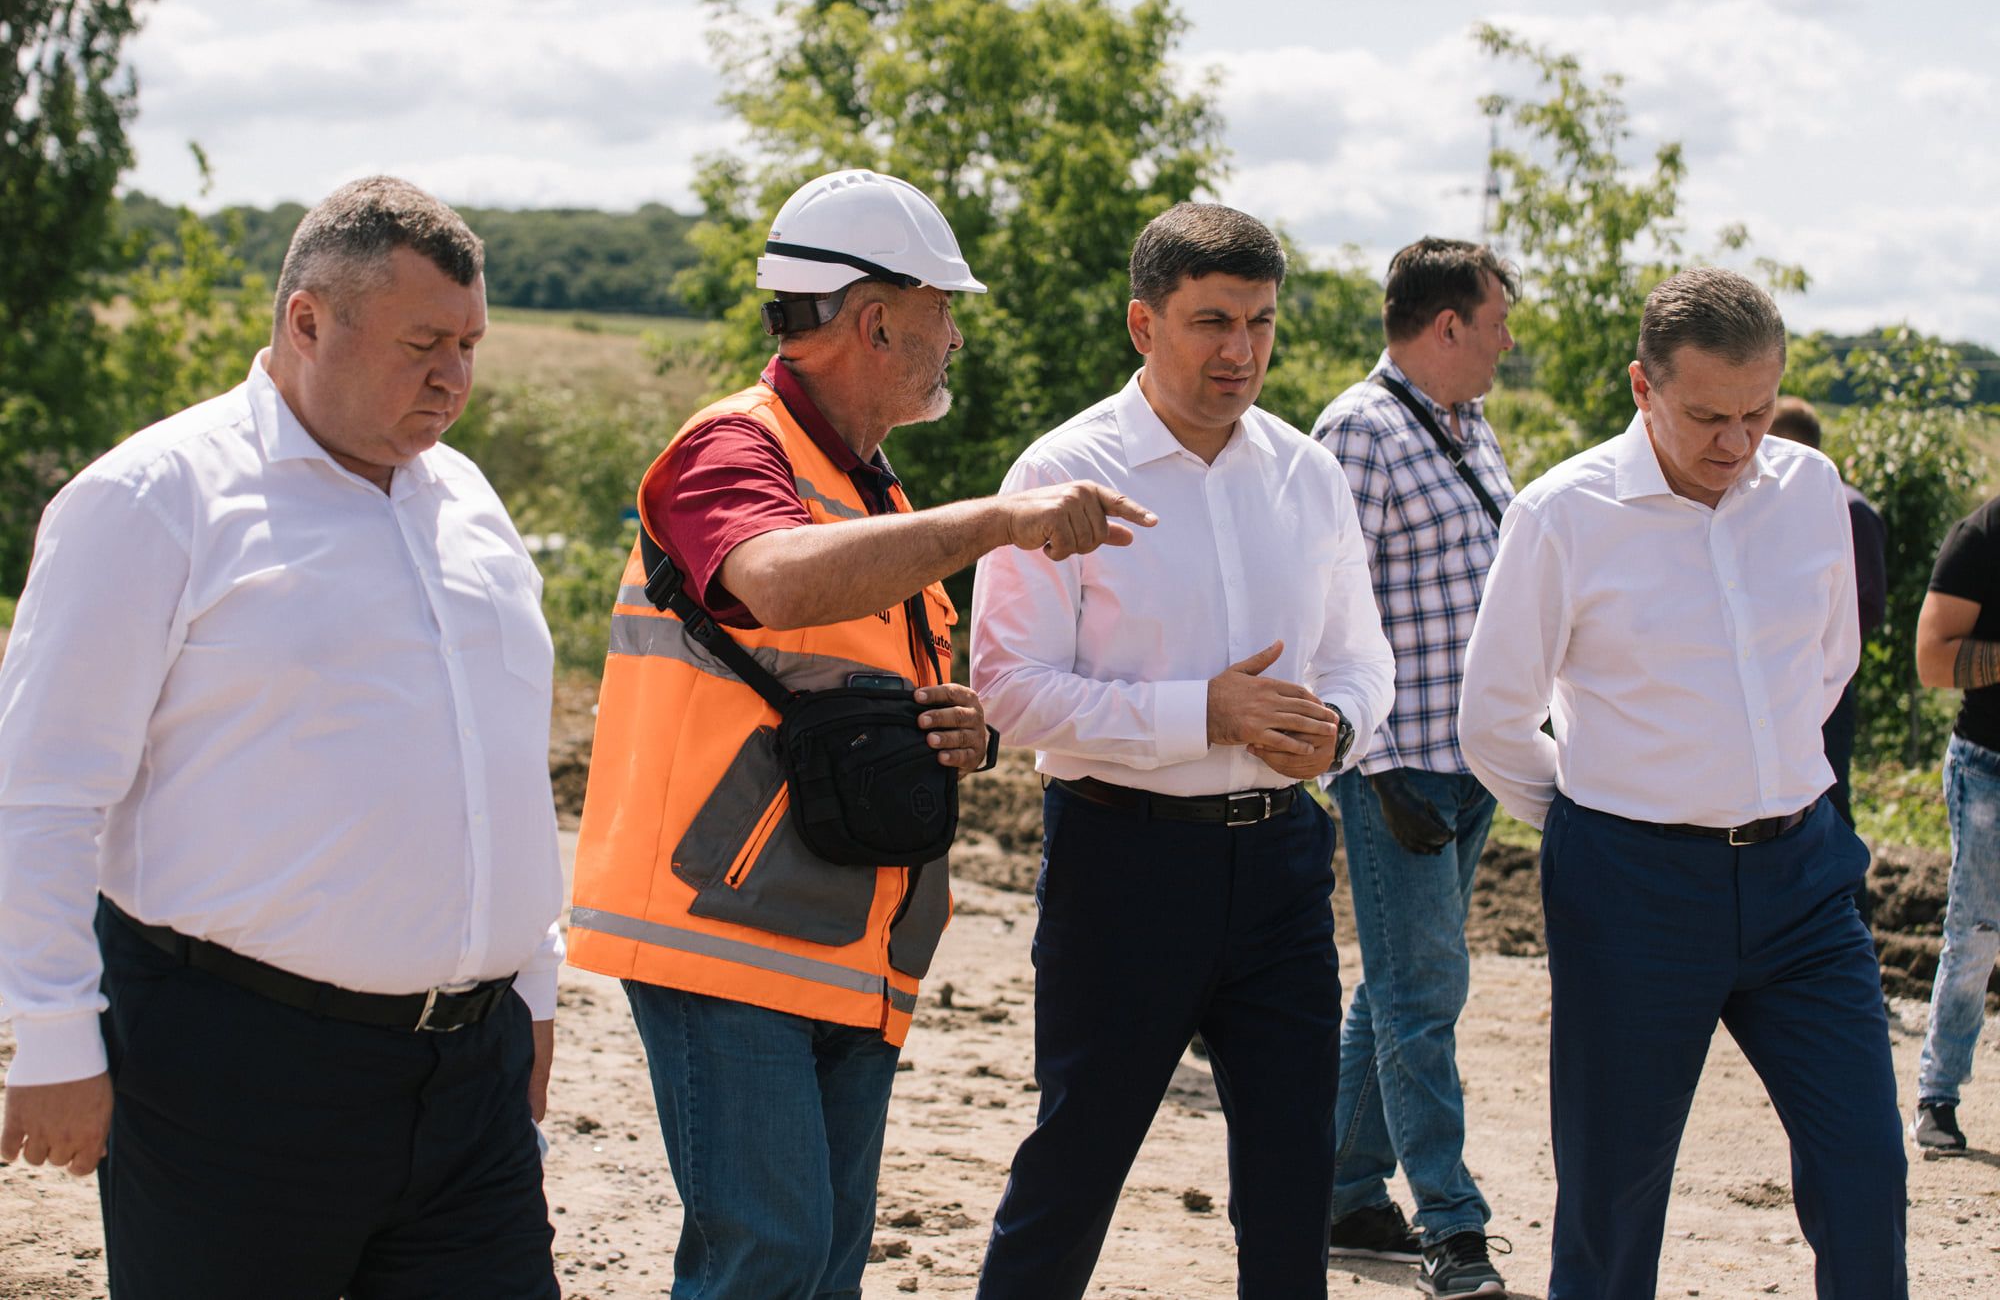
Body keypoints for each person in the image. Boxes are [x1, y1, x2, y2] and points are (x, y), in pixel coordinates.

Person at [564, 167, 1153, 1300]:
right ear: (875, 320)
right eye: (944, 316)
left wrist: (954, 729)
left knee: (822, 1263)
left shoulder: (873, 494)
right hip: (721, 932)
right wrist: (997, 520)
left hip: (840, 942)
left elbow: (845, 675)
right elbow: (773, 584)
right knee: (768, 1256)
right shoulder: (731, 450)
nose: (956, 341)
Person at [0, 177, 566, 1298]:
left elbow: (496, 767)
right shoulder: (153, 497)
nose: (453, 377)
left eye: (468, 344)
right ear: (307, 321)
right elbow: (44, 789)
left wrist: (531, 994)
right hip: (232, 1074)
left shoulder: (471, 505)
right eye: (421, 344)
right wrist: (50, 1033)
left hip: (471, 1076)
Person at [970, 202, 1397, 1300]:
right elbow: (1008, 694)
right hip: (1122, 863)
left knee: (1293, 1177)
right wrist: (1201, 714)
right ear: (1140, 324)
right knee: (1075, 1163)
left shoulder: (1307, 475)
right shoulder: (1059, 471)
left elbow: (1362, 658)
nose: (1238, 350)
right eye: (1210, 320)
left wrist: (1333, 728)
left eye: (1259, 322)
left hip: (1282, 869)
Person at [1460, 266, 1906, 1299]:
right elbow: (1491, 721)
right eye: (1706, 415)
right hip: (1632, 892)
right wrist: (1604, 816)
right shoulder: (1560, 516)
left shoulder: (1806, 493)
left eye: (1755, 411)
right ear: (1640, 388)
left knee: (1864, 1169)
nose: (1734, 441)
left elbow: (1824, 662)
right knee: (1612, 1201)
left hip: (1804, 881)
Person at [1309, 236, 1517, 1296]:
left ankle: (1339, 1193)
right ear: (1446, 325)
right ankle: (1450, 1223)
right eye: (1496, 322)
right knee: (1419, 991)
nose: (1506, 342)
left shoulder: (1466, 424)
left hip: (1469, 761)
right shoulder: (1358, 431)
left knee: (1392, 991)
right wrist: (1373, 758)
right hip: (1399, 770)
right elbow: (1321, 609)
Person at [1908, 495, 2000, 1154]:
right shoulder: (1984, 535)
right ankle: (1937, 1096)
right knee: (1975, 936)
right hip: (1990, 767)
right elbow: (1933, 659)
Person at [1769, 396, 1887, 830]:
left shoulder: (1849, 506)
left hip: (1822, 682)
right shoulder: (1761, 506)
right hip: (1771, 682)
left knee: (1829, 801)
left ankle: (1845, 898)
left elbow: (1866, 604)